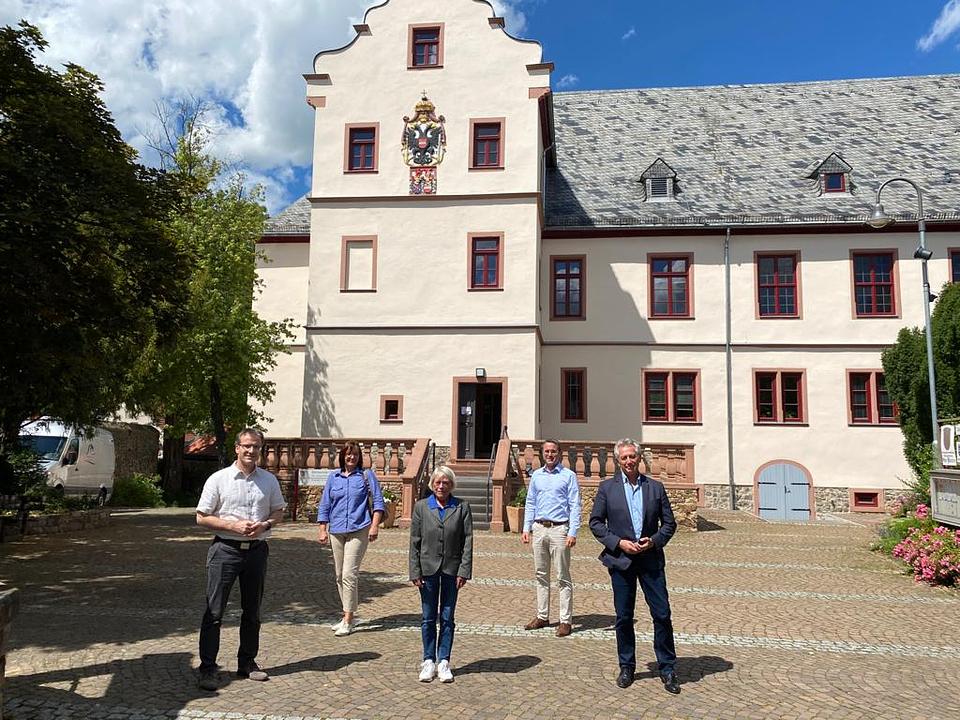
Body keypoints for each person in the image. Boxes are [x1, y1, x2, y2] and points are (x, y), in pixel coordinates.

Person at [196, 428, 286, 691]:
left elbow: (278, 512)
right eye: (246, 446)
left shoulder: (269, 480)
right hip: (225, 550)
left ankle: (247, 662)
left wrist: (266, 524)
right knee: (214, 612)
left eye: (256, 446)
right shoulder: (219, 479)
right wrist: (231, 526)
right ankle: (208, 668)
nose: (251, 451)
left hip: (257, 551)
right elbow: (201, 517)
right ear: (237, 448)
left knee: (252, 611)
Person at [589, 438, 680, 695]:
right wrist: (618, 542)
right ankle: (627, 666)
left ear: (639, 458)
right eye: (624, 457)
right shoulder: (607, 488)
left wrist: (654, 541)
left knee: (662, 614)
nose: (629, 461)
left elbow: (669, 524)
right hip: (622, 560)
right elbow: (596, 523)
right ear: (618, 461)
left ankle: (667, 667)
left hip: (651, 560)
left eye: (633, 456)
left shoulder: (655, 488)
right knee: (624, 617)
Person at [408, 466, 473, 683]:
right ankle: (428, 660)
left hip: (451, 571)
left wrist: (464, 570)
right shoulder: (421, 507)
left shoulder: (462, 507)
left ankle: (444, 661)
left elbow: (467, 541)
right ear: (432, 484)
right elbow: (414, 542)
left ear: (451, 485)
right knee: (428, 618)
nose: (441, 486)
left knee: (447, 618)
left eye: (445, 482)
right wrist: (414, 571)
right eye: (438, 482)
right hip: (427, 570)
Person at [316, 440, 385, 636]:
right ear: (342, 456)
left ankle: (348, 619)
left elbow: (378, 501)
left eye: (355, 454)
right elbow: (325, 504)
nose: (351, 457)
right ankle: (347, 614)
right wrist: (322, 529)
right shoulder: (333, 477)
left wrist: (374, 526)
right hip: (336, 530)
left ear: (359, 457)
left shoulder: (366, 475)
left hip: (359, 528)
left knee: (349, 574)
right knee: (339, 575)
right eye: (348, 454)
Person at [521, 439, 582, 637]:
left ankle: (565, 621)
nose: (550, 455)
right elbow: (530, 502)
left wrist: (573, 531)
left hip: (559, 529)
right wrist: (526, 527)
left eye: (553, 451)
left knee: (562, 576)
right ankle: (542, 616)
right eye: (547, 451)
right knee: (540, 574)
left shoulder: (568, 476)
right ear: (542, 454)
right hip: (539, 528)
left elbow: (575, 505)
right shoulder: (536, 476)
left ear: (559, 453)